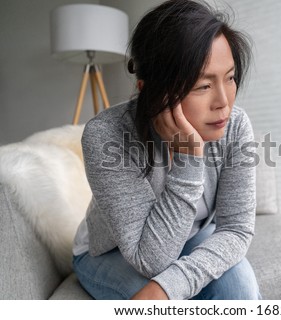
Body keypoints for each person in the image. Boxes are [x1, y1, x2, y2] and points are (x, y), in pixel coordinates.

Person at [72, 0, 260, 300]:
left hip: (192, 238)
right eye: (202, 86)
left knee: (239, 290)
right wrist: (189, 158)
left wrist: (170, 284)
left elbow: (236, 229)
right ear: (152, 90)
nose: (224, 102)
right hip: (112, 253)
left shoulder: (235, 124)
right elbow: (150, 260)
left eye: (230, 77)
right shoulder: (105, 135)